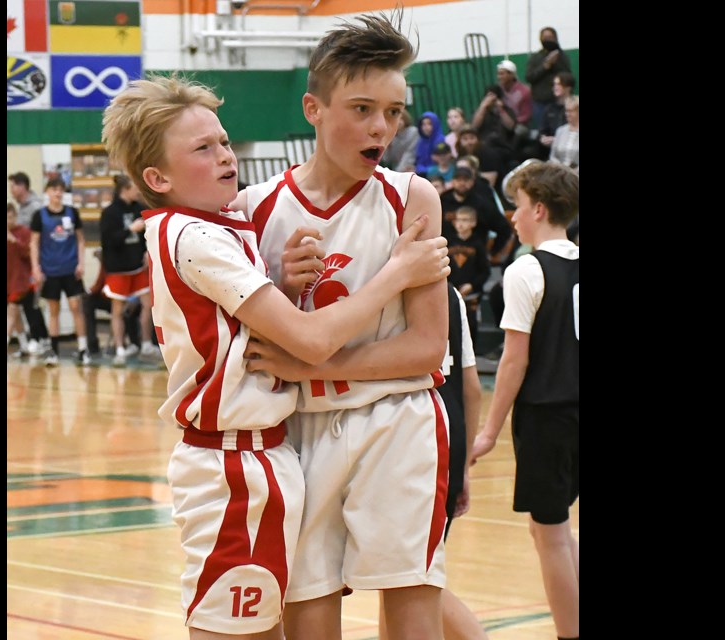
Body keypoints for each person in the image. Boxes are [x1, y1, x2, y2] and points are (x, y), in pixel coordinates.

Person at [100, 72, 451, 639]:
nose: (224, 155)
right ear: (157, 177)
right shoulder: (197, 235)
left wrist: (284, 289)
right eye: (202, 148)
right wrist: (398, 273)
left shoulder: (220, 226)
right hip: (232, 461)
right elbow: (308, 342)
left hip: (276, 453)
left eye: (224, 141)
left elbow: (250, 333)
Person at [235, 11, 465, 639]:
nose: (381, 127)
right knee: (309, 615)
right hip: (297, 434)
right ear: (313, 107)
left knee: (413, 604)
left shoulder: (413, 199)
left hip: (397, 421)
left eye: (393, 112)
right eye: (362, 108)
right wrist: (282, 287)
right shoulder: (253, 212)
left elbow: (425, 349)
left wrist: (313, 364)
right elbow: (246, 341)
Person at [471, 160, 579, 640]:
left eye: (515, 207)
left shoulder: (527, 269)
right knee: (549, 532)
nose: (511, 217)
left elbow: (513, 362)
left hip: (548, 416)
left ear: (537, 208)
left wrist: (489, 430)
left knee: (551, 534)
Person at [379, 283, 487, 640]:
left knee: (412, 580)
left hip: (408, 441)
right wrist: (463, 464)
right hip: (449, 437)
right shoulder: (451, 292)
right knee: (401, 584)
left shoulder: (382, 283)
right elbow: (471, 387)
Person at [98, 174, 161, 366]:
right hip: (118, 269)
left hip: (137, 267)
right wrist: (130, 230)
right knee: (117, 310)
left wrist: (147, 252)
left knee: (149, 305)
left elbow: (149, 235)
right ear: (125, 189)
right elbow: (108, 241)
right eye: (135, 187)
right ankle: (119, 349)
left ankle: (146, 345)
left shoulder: (139, 209)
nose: (138, 191)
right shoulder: (110, 213)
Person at [29, 176, 92, 366]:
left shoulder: (72, 212)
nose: (57, 193)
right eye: (54, 189)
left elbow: (81, 239)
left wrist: (81, 263)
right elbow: (34, 243)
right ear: (47, 192)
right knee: (53, 311)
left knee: (76, 308)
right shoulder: (39, 216)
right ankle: (53, 352)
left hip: (71, 270)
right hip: (50, 271)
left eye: (60, 190)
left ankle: (83, 349)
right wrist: (36, 268)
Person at [9, 171, 50, 352]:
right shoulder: (21, 207)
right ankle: (37, 338)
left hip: (36, 261)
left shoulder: (35, 208)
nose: (10, 190)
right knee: (28, 303)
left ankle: (40, 337)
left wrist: (37, 264)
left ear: (22, 186)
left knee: (31, 302)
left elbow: (37, 238)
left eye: (12, 186)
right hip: (23, 263)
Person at [445, 206, 490, 343]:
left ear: (473, 223)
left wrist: (472, 285)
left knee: (470, 326)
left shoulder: (478, 245)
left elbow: (485, 271)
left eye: (465, 220)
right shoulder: (448, 242)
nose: (460, 223)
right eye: (458, 219)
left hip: (471, 295)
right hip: (450, 291)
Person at [524, 27, 573, 131]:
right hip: (540, 102)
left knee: (562, 130)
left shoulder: (562, 56)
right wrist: (545, 66)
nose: (547, 40)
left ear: (555, 38)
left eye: (550, 37)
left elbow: (568, 77)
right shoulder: (535, 57)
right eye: (545, 37)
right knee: (542, 132)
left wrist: (556, 62)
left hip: (559, 102)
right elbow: (529, 77)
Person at [536, 72, 576, 161]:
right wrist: (543, 138)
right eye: (554, 84)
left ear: (568, 87)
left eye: (559, 84)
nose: (555, 87)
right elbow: (542, 131)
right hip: (551, 149)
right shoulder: (549, 108)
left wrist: (557, 139)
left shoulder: (576, 107)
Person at [381, 108, 419, 172]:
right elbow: (387, 159)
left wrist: (398, 172)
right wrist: (388, 146)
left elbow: (409, 154)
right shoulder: (392, 135)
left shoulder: (413, 132)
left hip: (413, 167)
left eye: (400, 119)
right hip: (398, 169)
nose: (398, 122)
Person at [549, 96, 579, 171]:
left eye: (571, 111)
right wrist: (560, 169)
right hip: (559, 173)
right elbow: (553, 156)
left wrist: (573, 173)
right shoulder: (560, 130)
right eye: (566, 111)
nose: (567, 114)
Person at [414, 110, 447, 176]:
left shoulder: (440, 140)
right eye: (423, 124)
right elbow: (419, 160)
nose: (426, 127)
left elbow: (440, 160)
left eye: (429, 124)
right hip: (422, 172)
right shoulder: (421, 142)